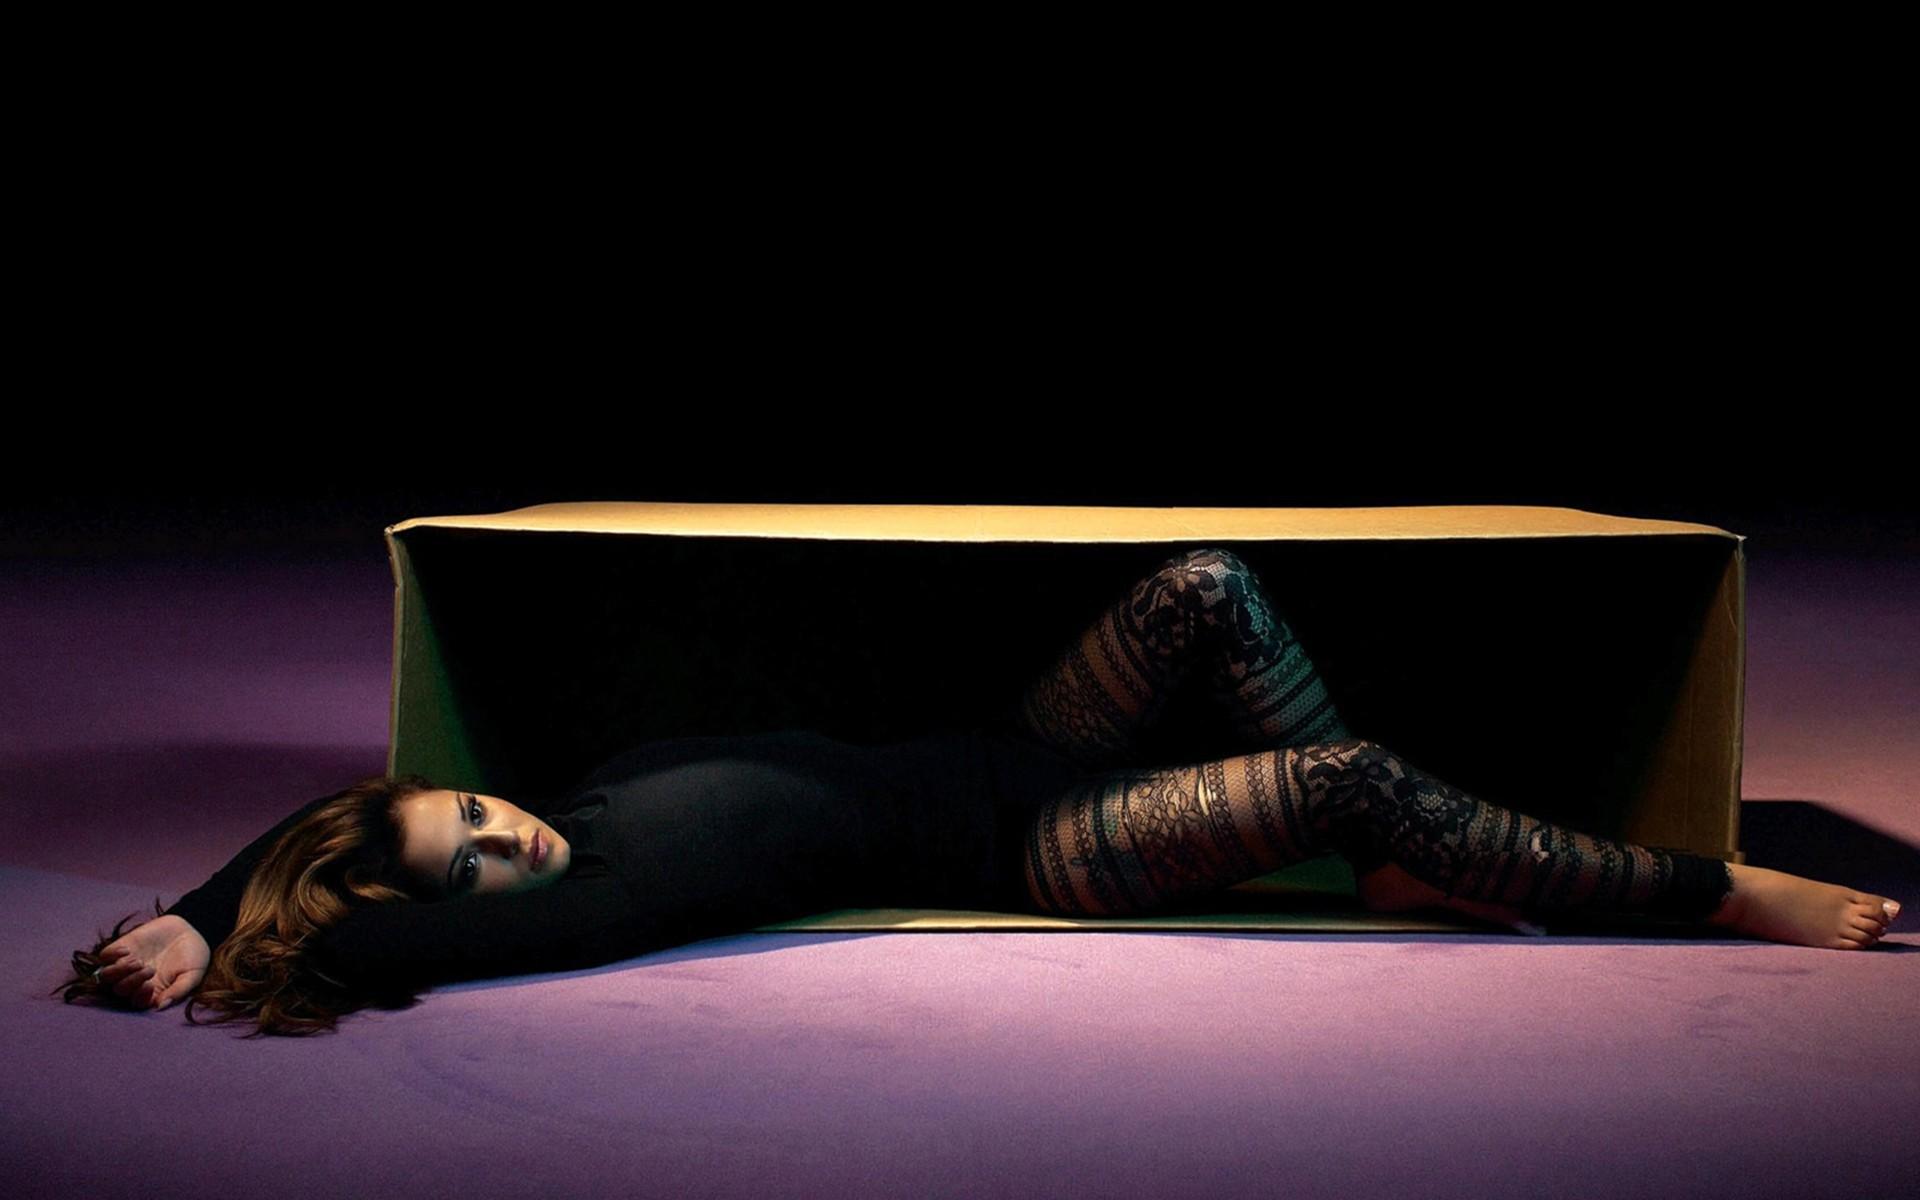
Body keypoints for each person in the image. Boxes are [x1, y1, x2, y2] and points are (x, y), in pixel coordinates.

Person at [56, 547, 1902, 1037]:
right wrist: (213, 932)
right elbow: (360, 932)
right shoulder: (589, 900)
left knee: (1204, 584)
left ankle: (1390, 866)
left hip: (1027, 744)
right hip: (1043, 844)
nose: (500, 829)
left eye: (468, 810)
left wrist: (238, 879)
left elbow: (347, 811)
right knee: (1344, 771)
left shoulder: (566, 804)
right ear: (464, 917)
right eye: (472, 861)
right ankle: (1708, 891)